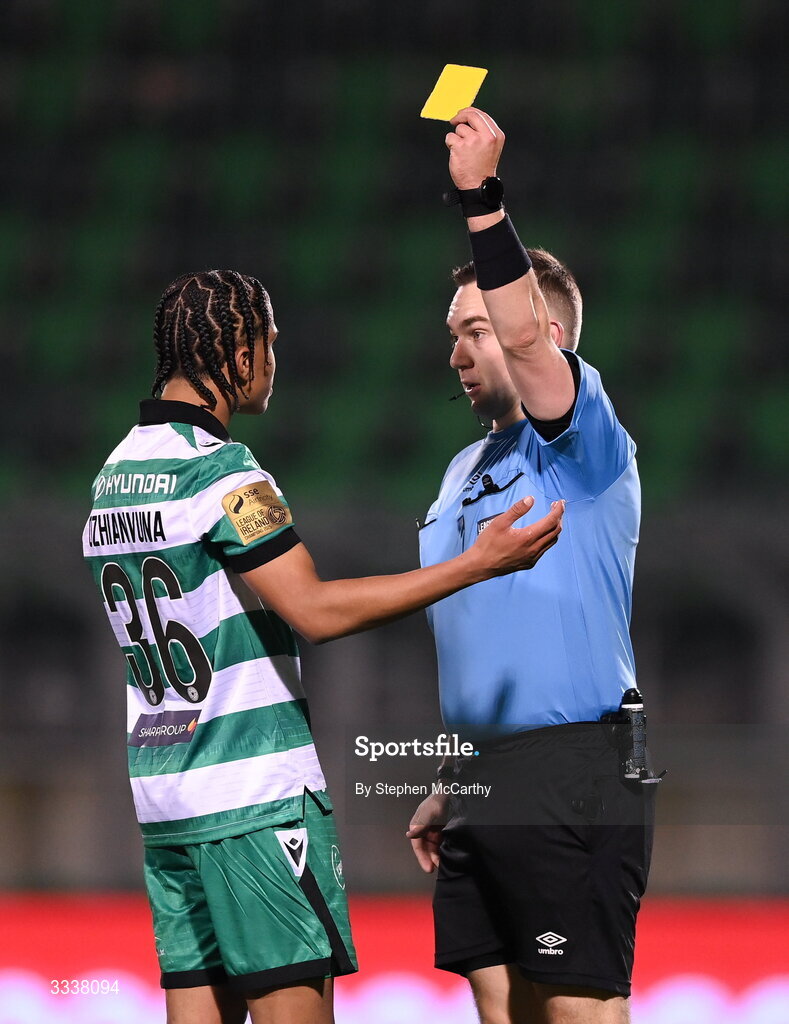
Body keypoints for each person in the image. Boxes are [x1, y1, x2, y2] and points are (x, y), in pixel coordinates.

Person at [81, 268, 564, 1024]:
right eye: (268, 340)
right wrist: (475, 563)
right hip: (252, 799)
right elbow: (314, 609)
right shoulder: (220, 470)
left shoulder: (116, 474)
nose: (275, 356)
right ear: (236, 351)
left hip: (165, 799)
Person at [407, 109, 656, 1024]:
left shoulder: (582, 448)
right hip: (482, 777)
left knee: (575, 1010)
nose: (458, 351)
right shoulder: (460, 469)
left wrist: (480, 199)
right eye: (453, 333)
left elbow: (522, 345)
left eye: (473, 328)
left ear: (543, 330)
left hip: (575, 768)